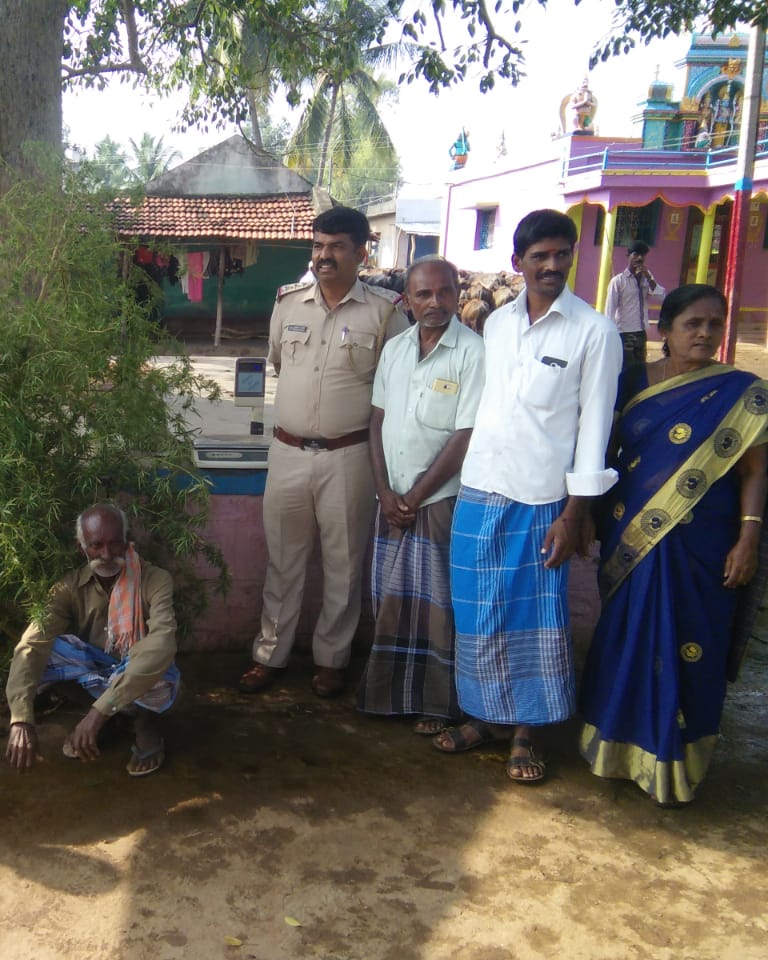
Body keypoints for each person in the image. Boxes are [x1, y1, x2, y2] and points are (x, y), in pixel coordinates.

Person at [434, 209, 622, 784]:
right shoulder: (496, 326)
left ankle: (524, 732)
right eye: (539, 256)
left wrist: (575, 512)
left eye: (562, 254)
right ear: (518, 263)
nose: (552, 265)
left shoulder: (594, 332)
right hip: (481, 490)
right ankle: (482, 719)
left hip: (542, 501)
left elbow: (595, 431)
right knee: (476, 612)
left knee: (532, 619)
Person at [580, 285, 768, 805]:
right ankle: (613, 746)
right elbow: (607, 451)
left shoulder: (743, 392)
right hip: (631, 534)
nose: (705, 333)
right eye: (692, 323)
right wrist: (590, 515)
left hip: (706, 543)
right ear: (666, 331)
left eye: (714, 323)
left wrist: (748, 534)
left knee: (692, 641)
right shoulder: (633, 383)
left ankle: (677, 760)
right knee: (627, 634)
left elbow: (756, 470)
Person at [238, 205, 405, 698]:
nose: (323, 255)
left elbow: (395, 388)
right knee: (283, 561)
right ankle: (270, 653)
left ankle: (332, 659)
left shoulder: (384, 312)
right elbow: (275, 363)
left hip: (349, 457)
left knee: (344, 563)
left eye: (335, 246)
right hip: (288, 453)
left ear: (360, 251)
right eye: (317, 245)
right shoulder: (287, 304)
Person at [359, 257, 484, 735]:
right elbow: (376, 423)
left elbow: (464, 435)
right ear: (407, 300)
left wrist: (413, 497)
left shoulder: (473, 353)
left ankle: (437, 703)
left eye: (445, 293)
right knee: (390, 600)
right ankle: (390, 695)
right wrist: (384, 492)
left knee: (436, 608)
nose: (435, 303)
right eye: (424, 295)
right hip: (390, 502)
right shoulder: (394, 349)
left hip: (438, 503)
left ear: (457, 295)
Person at [5, 504, 179, 777]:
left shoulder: (155, 580)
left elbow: (163, 641)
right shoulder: (68, 587)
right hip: (97, 673)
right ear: (81, 547)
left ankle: (145, 726)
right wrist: (20, 719)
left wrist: (97, 713)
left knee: (158, 659)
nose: (107, 555)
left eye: (114, 544)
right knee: (42, 652)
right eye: (96, 545)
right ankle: (111, 717)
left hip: (140, 676)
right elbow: (32, 644)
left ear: (126, 541)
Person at [604, 240, 664, 367]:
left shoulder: (646, 279)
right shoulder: (618, 281)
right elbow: (609, 311)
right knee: (627, 368)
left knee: (641, 367)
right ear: (628, 256)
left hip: (641, 331)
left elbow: (661, 297)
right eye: (636, 254)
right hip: (626, 333)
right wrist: (611, 336)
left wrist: (648, 276)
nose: (639, 258)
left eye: (643, 255)